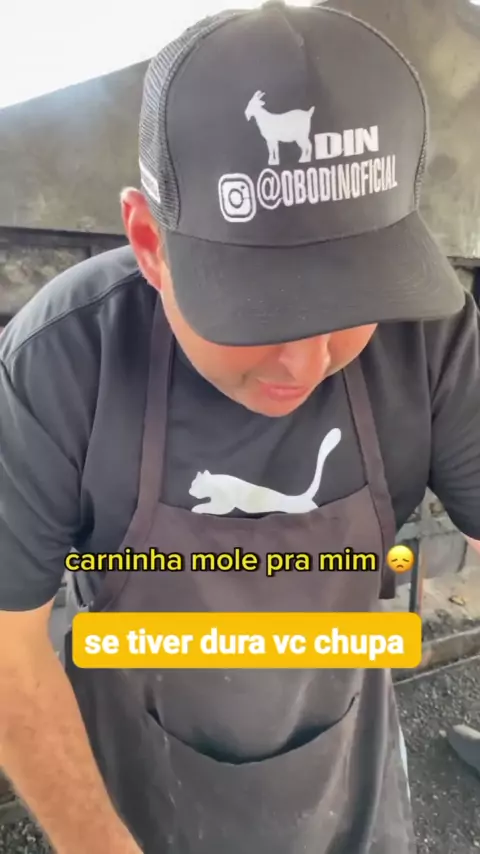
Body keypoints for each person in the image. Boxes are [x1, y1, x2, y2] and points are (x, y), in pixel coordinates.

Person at [0, 2, 479, 852]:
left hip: (349, 776)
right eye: (259, 309)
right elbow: (7, 644)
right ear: (150, 243)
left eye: (350, 303)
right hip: (130, 790)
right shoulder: (63, 359)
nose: (306, 361)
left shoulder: (431, 339)